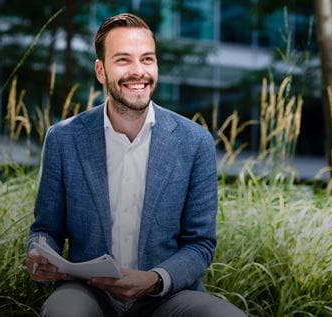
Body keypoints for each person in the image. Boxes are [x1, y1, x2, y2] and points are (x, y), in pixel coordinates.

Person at [25, 13, 246, 317]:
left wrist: (154, 279)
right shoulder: (64, 139)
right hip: (88, 291)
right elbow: (46, 229)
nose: (138, 72)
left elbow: (200, 244)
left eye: (147, 59)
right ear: (101, 71)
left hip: (166, 296)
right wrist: (38, 254)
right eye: (123, 60)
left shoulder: (195, 141)